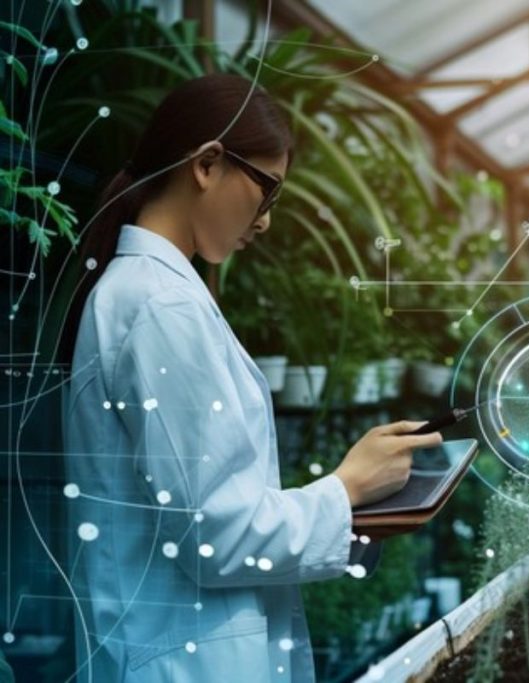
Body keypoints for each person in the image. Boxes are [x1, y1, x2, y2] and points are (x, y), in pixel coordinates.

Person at [59, 73, 441, 682]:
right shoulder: (162, 307)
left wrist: (359, 503)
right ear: (207, 164)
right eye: (267, 192)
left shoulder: (154, 295)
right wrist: (345, 488)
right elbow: (217, 534)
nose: (264, 222)